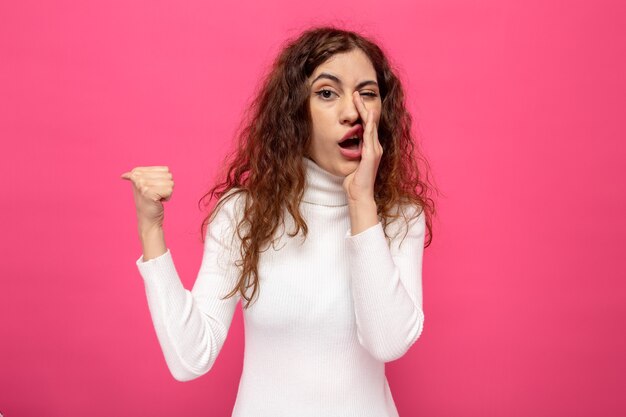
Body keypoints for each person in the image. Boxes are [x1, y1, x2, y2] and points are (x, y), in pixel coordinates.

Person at [121, 25, 436, 417]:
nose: (352, 111)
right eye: (327, 93)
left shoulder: (400, 218)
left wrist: (361, 201)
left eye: (367, 93)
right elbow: (191, 357)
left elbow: (387, 342)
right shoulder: (244, 213)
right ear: (295, 112)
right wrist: (150, 229)